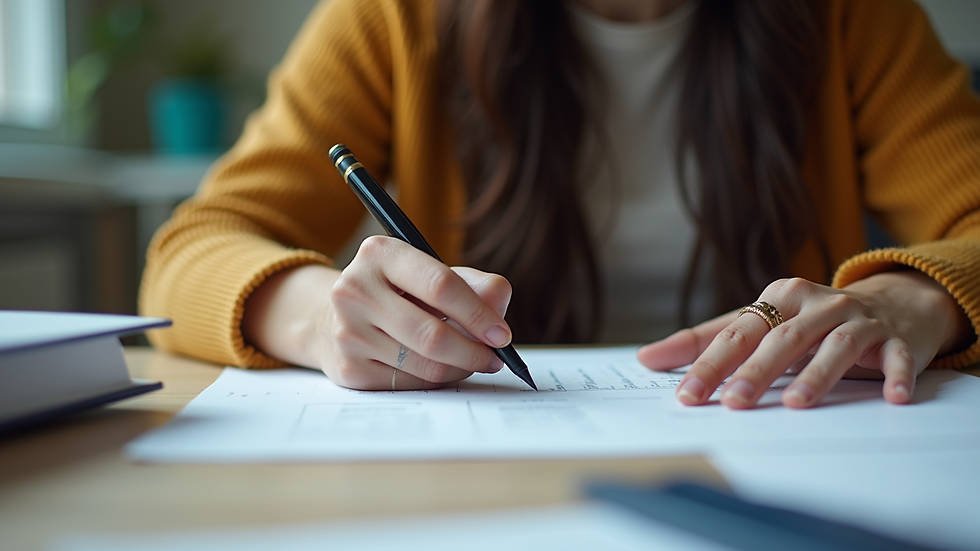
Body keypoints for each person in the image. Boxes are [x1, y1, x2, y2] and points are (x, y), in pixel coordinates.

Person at [140, 0, 980, 409]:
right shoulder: (396, 16)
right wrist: (320, 318)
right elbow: (192, 250)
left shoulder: (850, 16)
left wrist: (913, 296)